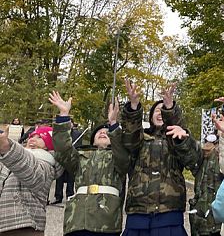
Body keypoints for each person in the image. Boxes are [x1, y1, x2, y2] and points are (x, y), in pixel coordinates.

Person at [121, 80, 200, 236]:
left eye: (163, 110)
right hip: (138, 212)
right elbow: (130, 136)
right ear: (150, 117)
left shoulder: (178, 140)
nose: (159, 112)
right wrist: (134, 106)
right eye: (156, 110)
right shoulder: (140, 139)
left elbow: (192, 159)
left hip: (169, 213)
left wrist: (170, 109)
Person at [50, 91, 129, 235]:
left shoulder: (119, 156)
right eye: (99, 132)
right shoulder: (80, 156)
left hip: (107, 222)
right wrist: (63, 116)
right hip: (77, 220)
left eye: (107, 132)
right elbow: (62, 151)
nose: (103, 133)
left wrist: (113, 125)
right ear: (93, 139)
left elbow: (124, 160)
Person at [189, 91, 224, 236]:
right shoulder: (203, 153)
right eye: (219, 129)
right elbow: (187, 151)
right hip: (202, 221)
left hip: (223, 223)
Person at [0, 124, 63, 235]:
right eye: (32, 136)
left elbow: (32, 174)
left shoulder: (47, 164)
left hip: (23, 225)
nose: (33, 139)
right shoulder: (9, 159)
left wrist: (6, 146)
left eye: (40, 137)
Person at [53, 121, 84, 205]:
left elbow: (79, 145)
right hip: (61, 158)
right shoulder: (61, 133)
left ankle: (69, 196)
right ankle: (58, 197)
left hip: (71, 158)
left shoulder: (77, 134)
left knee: (71, 179)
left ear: (73, 124)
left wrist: (73, 149)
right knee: (59, 178)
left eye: (70, 123)